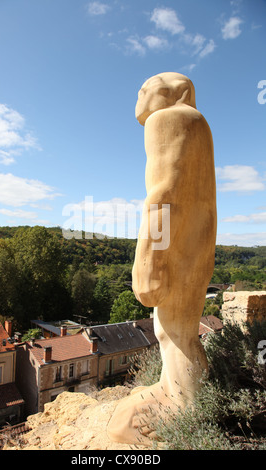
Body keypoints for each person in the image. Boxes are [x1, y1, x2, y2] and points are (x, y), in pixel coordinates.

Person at [107, 72, 217, 445]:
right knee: (179, 330)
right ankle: (180, 391)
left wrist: (148, 257)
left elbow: (163, 193)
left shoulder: (166, 119)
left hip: (173, 245)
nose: (139, 96)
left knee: (173, 334)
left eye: (146, 89)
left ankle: (186, 410)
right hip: (196, 242)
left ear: (178, 93)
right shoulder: (200, 125)